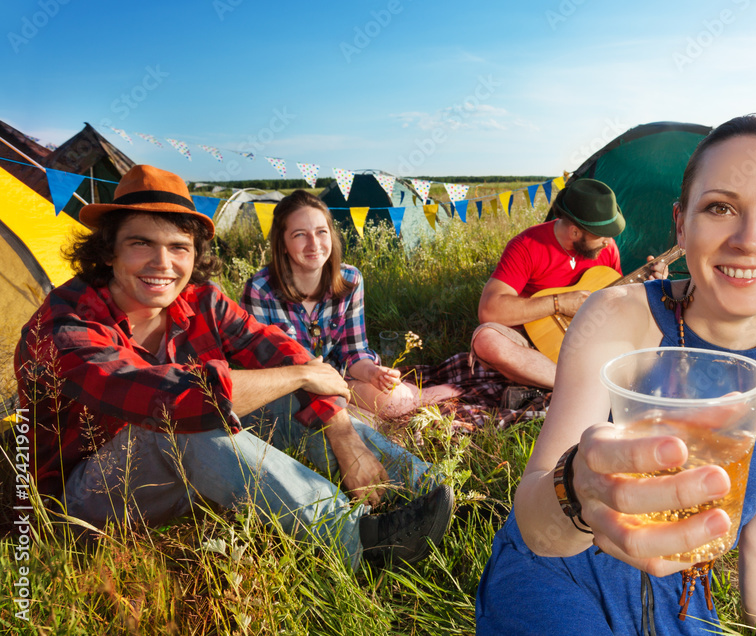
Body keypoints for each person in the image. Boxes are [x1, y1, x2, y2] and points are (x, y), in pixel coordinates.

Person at [476, 113, 756, 635]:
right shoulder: (615, 315)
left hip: (681, 598)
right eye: (720, 207)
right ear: (681, 224)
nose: (749, 240)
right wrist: (579, 489)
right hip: (558, 572)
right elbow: (540, 528)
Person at [16, 165, 453, 568]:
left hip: (189, 476)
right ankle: (359, 541)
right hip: (87, 503)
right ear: (109, 250)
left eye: (178, 248)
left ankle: (433, 490)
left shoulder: (201, 300)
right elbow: (166, 397)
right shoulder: (66, 320)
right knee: (186, 415)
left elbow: (281, 350)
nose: (162, 264)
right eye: (141, 243)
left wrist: (342, 432)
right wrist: (300, 374)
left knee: (270, 395)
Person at [240, 189, 460, 421]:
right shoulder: (259, 290)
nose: (314, 244)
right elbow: (261, 370)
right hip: (290, 392)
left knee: (398, 403)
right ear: (282, 243)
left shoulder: (350, 280)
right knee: (363, 424)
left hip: (340, 379)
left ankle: (443, 392)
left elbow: (353, 351)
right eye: (299, 235)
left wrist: (372, 372)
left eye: (321, 232)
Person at [470, 178, 627, 391]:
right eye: (602, 235)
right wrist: (559, 303)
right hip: (530, 343)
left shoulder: (606, 248)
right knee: (486, 341)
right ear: (574, 232)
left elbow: (618, 302)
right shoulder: (526, 246)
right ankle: (580, 386)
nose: (608, 241)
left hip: (589, 340)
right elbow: (489, 310)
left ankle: (561, 384)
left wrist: (649, 285)